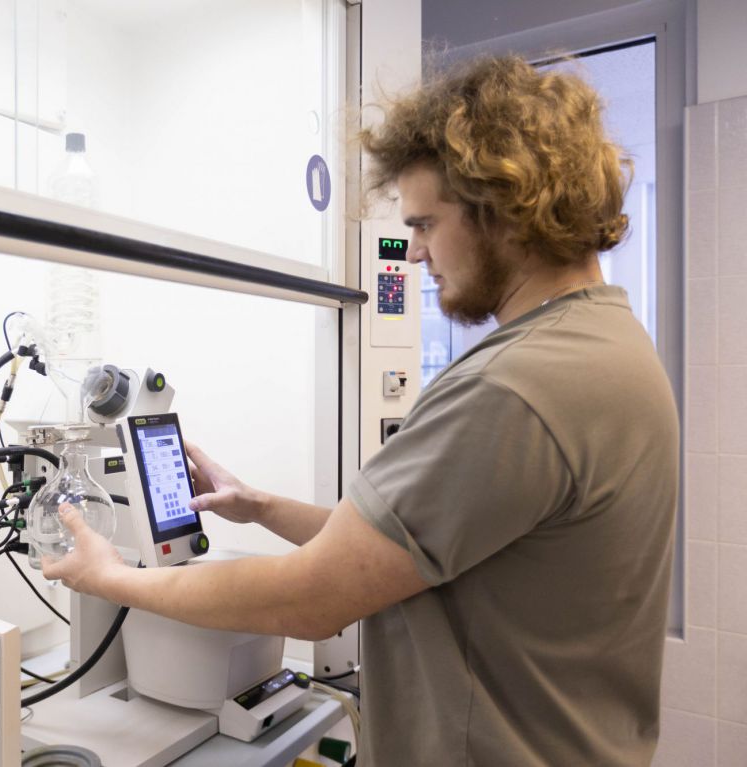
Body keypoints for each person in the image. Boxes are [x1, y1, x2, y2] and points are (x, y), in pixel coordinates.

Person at [43, 55, 678, 766]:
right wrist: (260, 506)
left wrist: (112, 579)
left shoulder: (516, 386)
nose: (414, 253)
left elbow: (313, 599)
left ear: (504, 206)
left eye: (426, 223)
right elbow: (401, 553)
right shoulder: (610, 345)